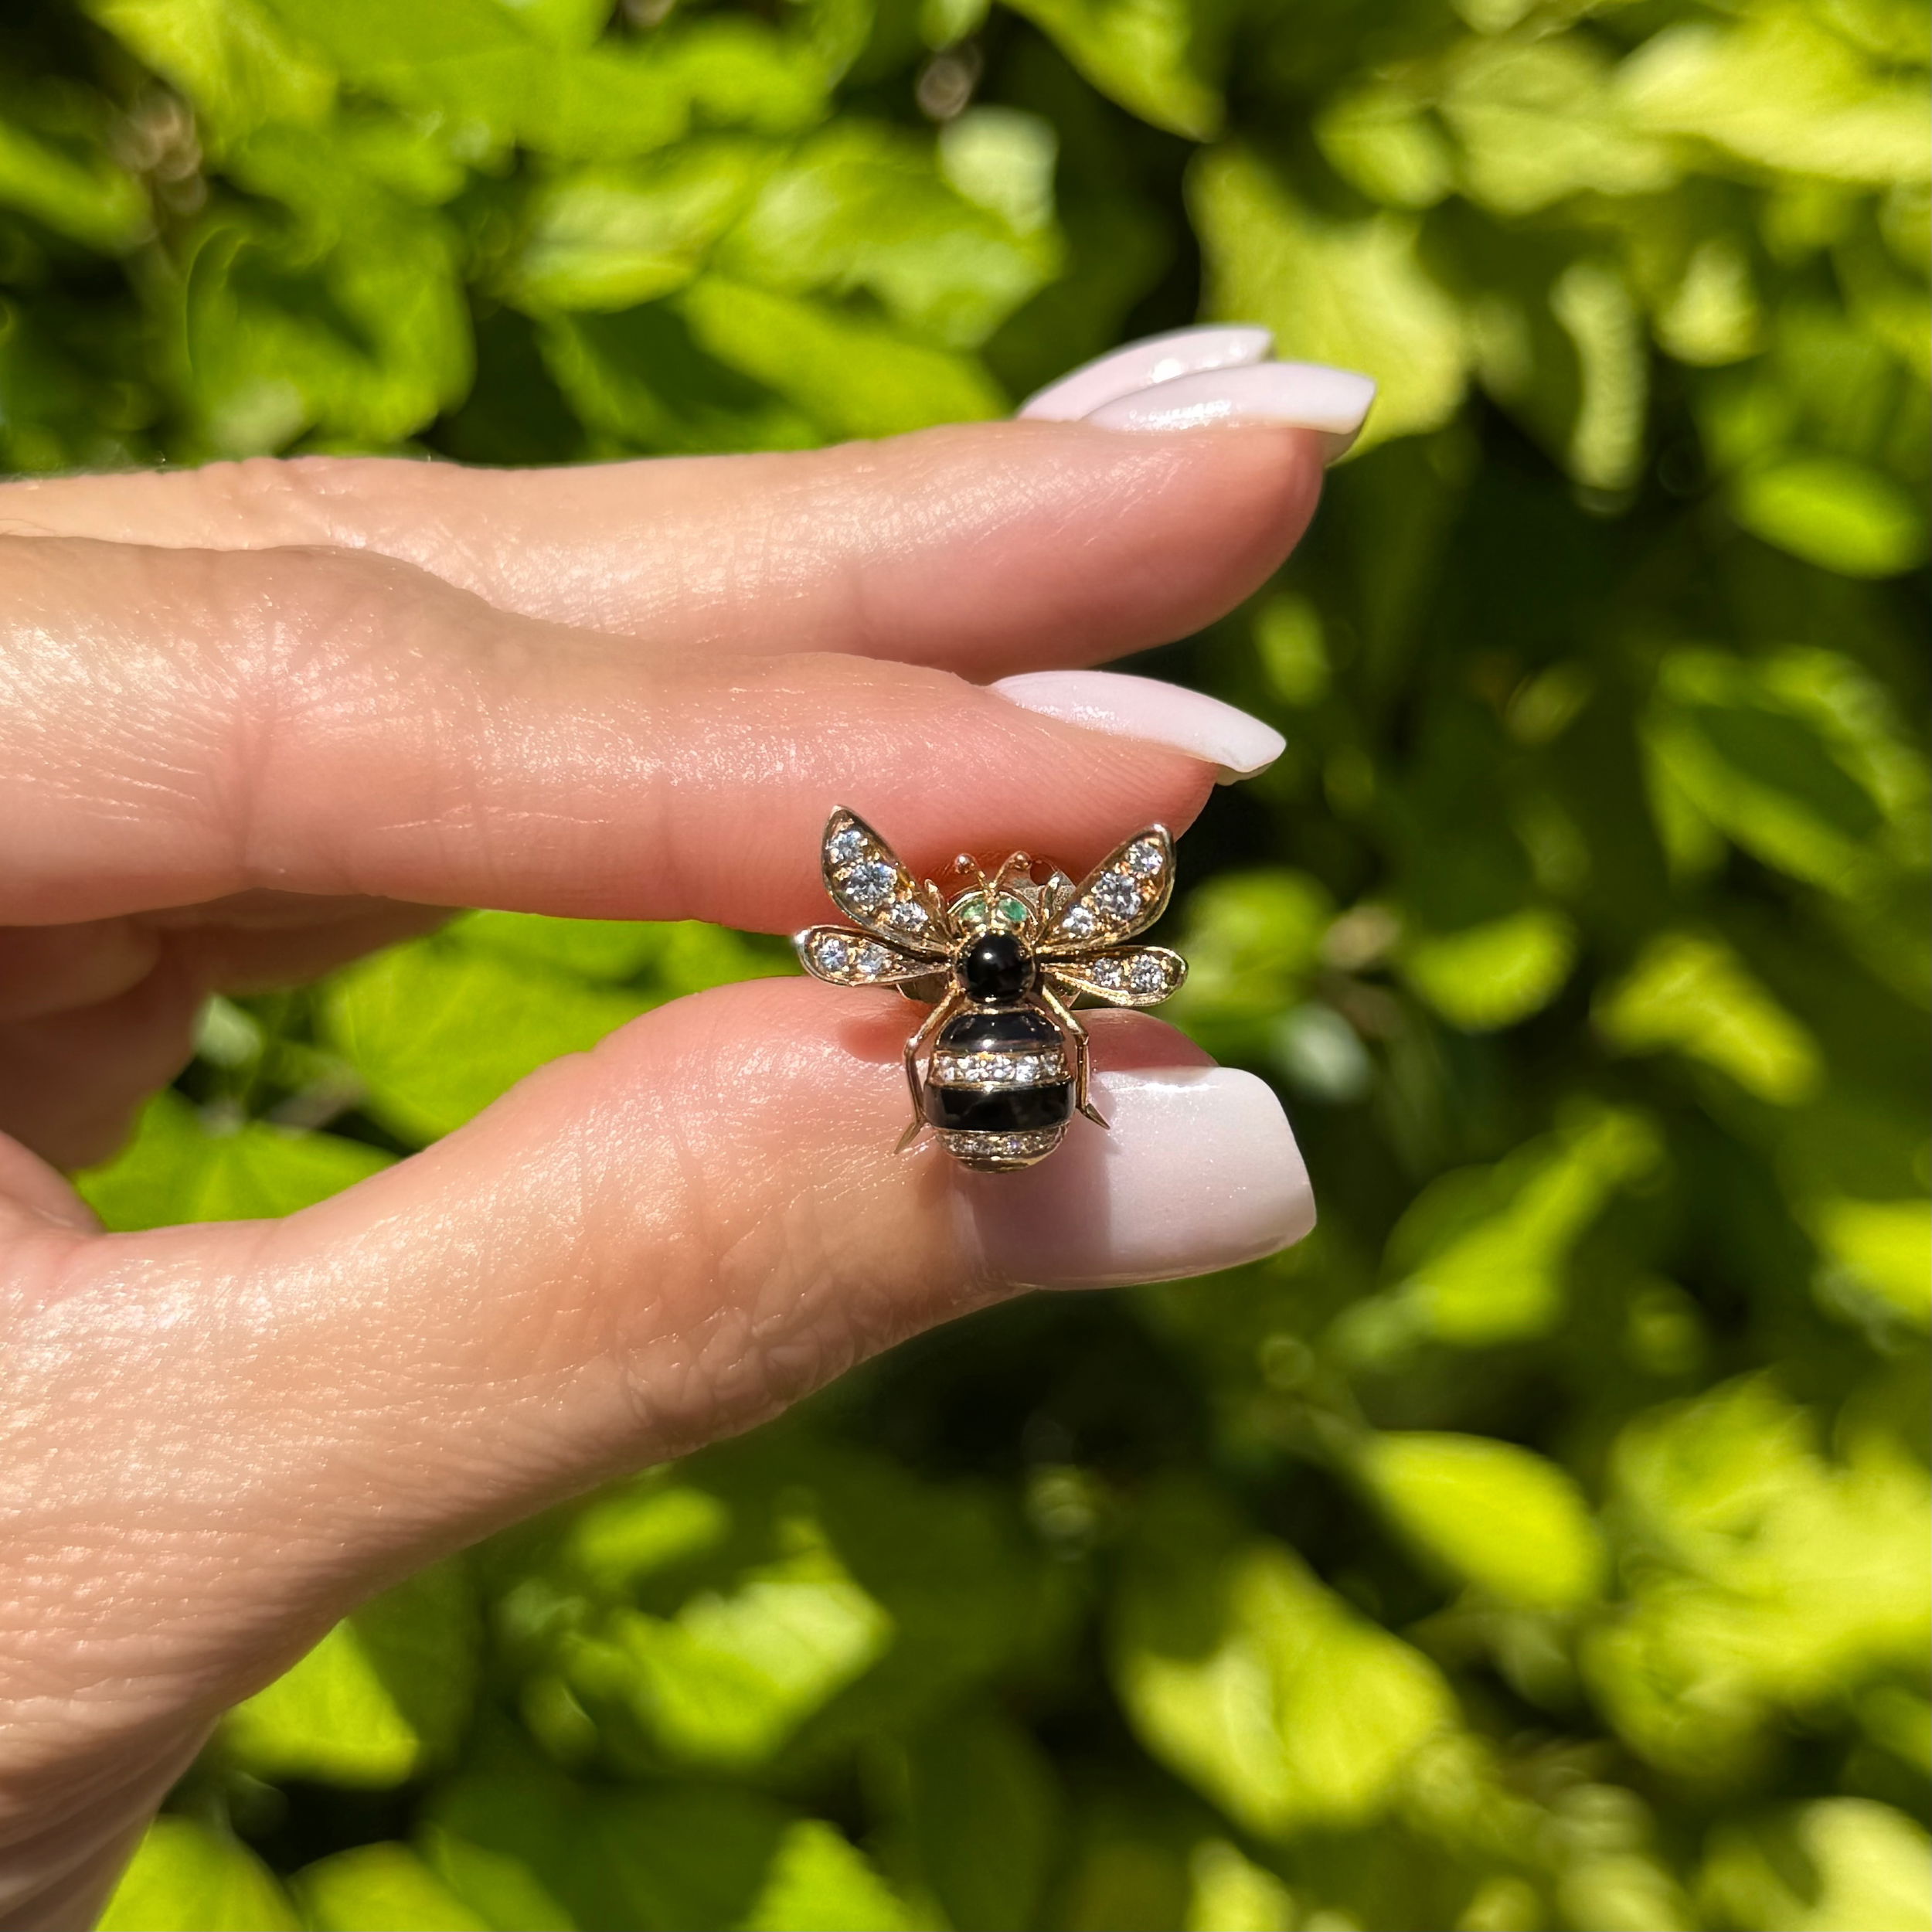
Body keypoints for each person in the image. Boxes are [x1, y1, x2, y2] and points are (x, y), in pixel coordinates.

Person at [0, 328, 1370, 1927]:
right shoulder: (1055, 957)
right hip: (1006, 1086)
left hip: (986, 1085)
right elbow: (1101, 931)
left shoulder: (944, 961)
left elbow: (905, 923)